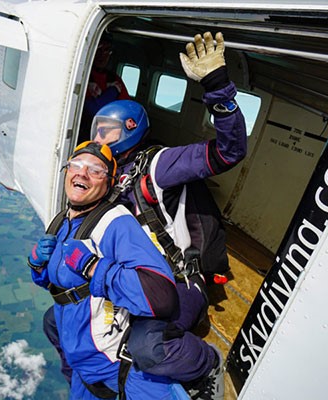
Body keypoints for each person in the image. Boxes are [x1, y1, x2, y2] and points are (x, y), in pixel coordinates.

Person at [45, 31, 247, 400]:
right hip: (133, 279)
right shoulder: (104, 179)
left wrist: (217, 86)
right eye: (96, 131)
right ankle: (92, 380)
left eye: (107, 131)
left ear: (130, 132)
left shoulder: (156, 167)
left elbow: (229, 152)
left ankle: (205, 365)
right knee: (56, 319)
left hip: (177, 283)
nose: (99, 139)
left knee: (146, 345)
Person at [29, 141, 191, 399]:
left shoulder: (116, 224)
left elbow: (161, 297)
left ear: (108, 184)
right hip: (82, 365)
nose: (82, 173)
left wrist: (92, 266)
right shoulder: (62, 220)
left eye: (95, 170)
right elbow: (62, 286)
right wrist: (38, 266)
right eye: (76, 165)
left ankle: (206, 365)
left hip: (117, 366)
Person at [79, 33, 131, 143]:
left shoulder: (114, 79)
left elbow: (127, 109)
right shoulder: (83, 76)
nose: (102, 55)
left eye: (107, 50)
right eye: (99, 49)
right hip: (84, 132)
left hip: (110, 135)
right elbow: (93, 110)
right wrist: (113, 91)